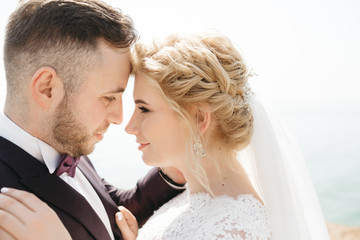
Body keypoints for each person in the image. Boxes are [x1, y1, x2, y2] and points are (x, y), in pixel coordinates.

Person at [0, 31, 330, 239]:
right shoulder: (191, 200)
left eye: (143, 108)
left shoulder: (233, 230)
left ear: (199, 118)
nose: (125, 123)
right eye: (109, 98)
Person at [0, 1, 185, 240]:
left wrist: (177, 169)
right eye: (108, 98)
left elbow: (109, 212)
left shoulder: (66, 139)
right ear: (47, 88)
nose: (119, 118)